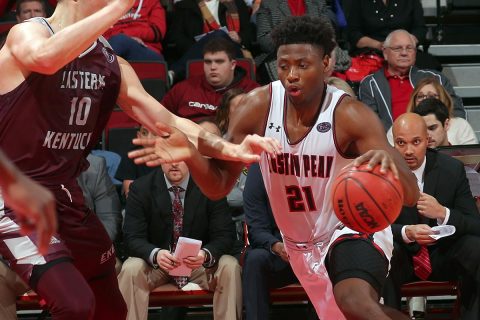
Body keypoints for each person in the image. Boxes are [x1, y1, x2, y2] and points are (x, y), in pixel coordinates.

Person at [0, 1, 278, 318]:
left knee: (111, 307)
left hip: (64, 196)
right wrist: (120, 7)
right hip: (13, 194)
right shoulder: (30, 33)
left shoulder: (109, 62)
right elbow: (45, 58)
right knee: (75, 305)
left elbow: (166, 120)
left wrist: (228, 148)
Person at [131, 16, 419, 319]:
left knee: (354, 301)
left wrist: (391, 169)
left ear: (325, 63)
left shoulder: (349, 114)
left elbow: (411, 195)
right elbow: (218, 185)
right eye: (283, 66)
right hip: (299, 245)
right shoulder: (256, 106)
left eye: (302, 65)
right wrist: (191, 154)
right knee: (349, 314)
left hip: (349, 227)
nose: (291, 75)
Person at [0, 153, 122, 320]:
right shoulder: (10, 167)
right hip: (20, 259)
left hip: (80, 250)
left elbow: (110, 219)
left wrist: (83, 250)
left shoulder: (94, 165)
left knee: (108, 268)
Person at [118, 159, 242, 320]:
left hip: (197, 263)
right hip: (157, 265)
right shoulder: (141, 188)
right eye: (168, 158)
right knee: (130, 268)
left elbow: (225, 234)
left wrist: (205, 254)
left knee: (229, 266)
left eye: (180, 158)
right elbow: (131, 237)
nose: (174, 164)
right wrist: (156, 254)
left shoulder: (210, 185)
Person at [385, 112, 480, 319]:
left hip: (444, 255)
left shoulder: (451, 169)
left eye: (416, 142)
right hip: (403, 258)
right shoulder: (382, 173)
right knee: (381, 251)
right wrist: (405, 231)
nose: (408, 150)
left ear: (427, 141)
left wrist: (442, 213)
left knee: (476, 248)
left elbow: (474, 224)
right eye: (401, 143)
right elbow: (370, 226)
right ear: (393, 144)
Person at [358, 29, 465, 131]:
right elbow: (371, 122)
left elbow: (456, 112)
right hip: (391, 143)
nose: (404, 53)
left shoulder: (436, 78)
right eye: (398, 48)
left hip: (435, 142)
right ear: (385, 53)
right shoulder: (370, 84)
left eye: (409, 48)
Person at [242, 163, 298, 320]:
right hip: (279, 252)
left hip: (314, 250)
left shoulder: (315, 160)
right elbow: (256, 229)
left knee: (336, 253)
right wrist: (277, 246)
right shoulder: (259, 169)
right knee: (254, 259)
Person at [162, 37, 259, 122]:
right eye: (208, 62)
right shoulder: (183, 88)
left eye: (219, 61)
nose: (212, 67)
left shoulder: (252, 92)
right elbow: (160, 117)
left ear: (232, 65)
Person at [167, 0, 254, 83]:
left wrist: (239, 37)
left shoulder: (237, 3)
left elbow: (249, 32)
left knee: (219, 35)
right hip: (199, 52)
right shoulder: (184, 6)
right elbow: (177, 36)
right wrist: (198, 47)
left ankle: (174, 72)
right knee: (217, 36)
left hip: (232, 49)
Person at [386, 77, 478, 146]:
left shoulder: (460, 125)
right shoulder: (399, 126)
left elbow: (471, 159)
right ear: (413, 101)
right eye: (420, 96)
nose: (425, 100)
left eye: (431, 96)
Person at [103, 0, 167, 61]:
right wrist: (128, 37)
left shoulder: (151, 2)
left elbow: (157, 32)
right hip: (115, 47)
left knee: (121, 40)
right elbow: (100, 36)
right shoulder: (106, 6)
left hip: (146, 49)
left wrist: (126, 36)